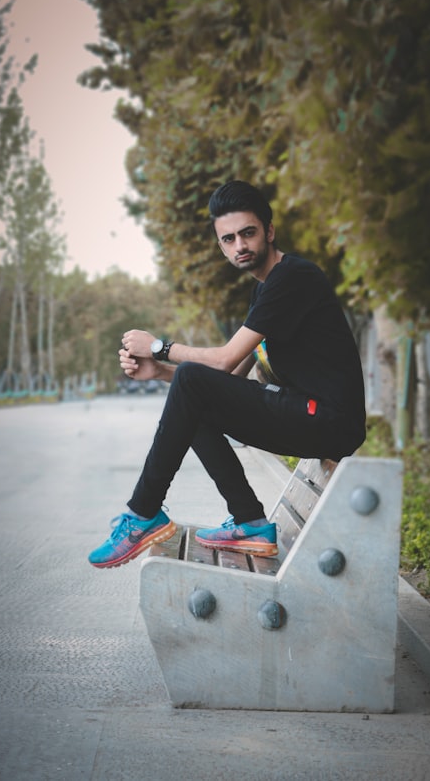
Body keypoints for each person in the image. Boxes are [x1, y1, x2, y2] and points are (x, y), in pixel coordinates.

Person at [88, 181, 366, 569]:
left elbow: (221, 362)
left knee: (194, 385)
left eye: (248, 233)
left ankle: (143, 513)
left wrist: (158, 347)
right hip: (311, 416)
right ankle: (250, 520)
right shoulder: (266, 290)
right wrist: (162, 372)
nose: (240, 246)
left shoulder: (294, 277)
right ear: (221, 246)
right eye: (229, 239)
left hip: (329, 419)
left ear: (268, 231)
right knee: (195, 399)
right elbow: (230, 376)